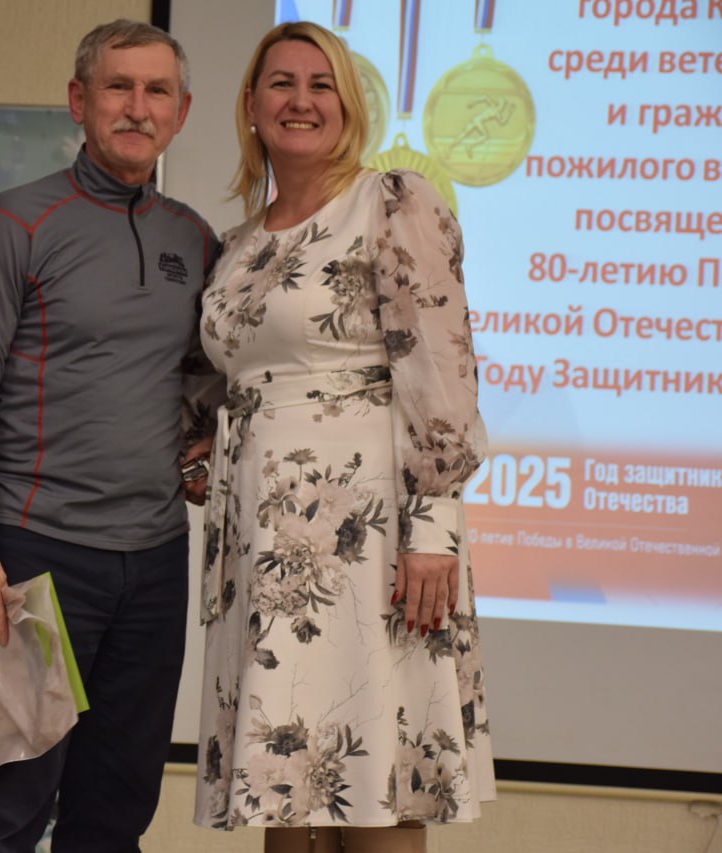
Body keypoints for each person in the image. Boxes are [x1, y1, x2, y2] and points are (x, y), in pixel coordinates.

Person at [193, 21, 495, 853]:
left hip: (373, 540)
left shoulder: (392, 202)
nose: (301, 100)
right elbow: (228, 379)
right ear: (250, 105)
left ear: (350, 105)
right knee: (288, 788)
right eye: (281, 83)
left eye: (321, 84)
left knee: (375, 781)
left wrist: (434, 530)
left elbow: (442, 369)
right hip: (261, 542)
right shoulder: (238, 245)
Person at [0, 19, 219, 853]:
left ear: (182, 111)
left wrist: (204, 440)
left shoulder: (194, 238)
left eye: (157, 91)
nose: (138, 107)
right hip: (36, 554)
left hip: (156, 562)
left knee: (115, 813)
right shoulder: (15, 223)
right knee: (7, 813)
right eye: (117, 87)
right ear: (78, 100)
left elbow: (202, 374)